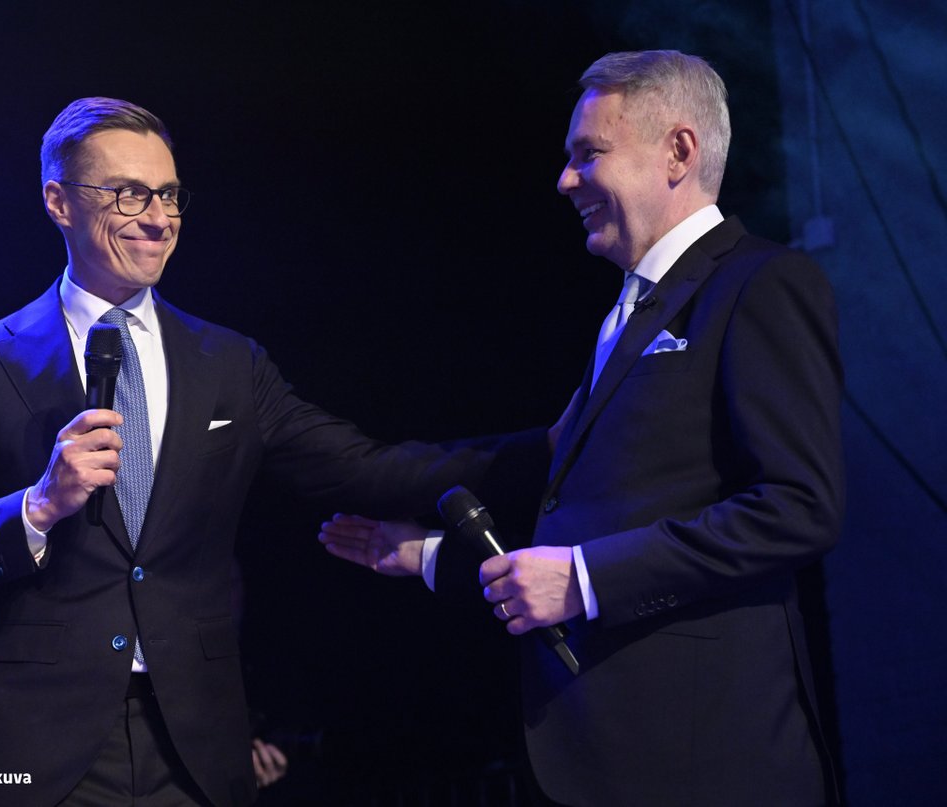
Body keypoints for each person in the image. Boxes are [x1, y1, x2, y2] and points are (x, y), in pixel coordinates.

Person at [0, 97, 538, 807]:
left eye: (169, 194)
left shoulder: (228, 363)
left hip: (195, 742)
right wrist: (38, 508)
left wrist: (552, 447)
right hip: (41, 746)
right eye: (129, 193)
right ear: (59, 201)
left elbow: (368, 467)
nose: (159, 218)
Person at [320, 50, 844, 806]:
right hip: (611, 758)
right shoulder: (627, 312)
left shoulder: (760, 284)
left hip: (707, 761)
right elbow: (605, 513)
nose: (565, 180)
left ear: (678, 152)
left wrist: (585, 578)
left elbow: (801, 507)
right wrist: (430, 557)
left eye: (587, 154)